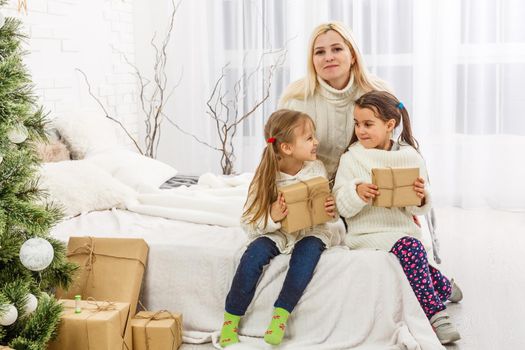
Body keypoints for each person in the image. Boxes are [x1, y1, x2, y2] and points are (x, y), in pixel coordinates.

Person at [332, 91, 463, 345]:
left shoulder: (410, 157)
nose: (360, 130)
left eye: (368, 124)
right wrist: (356, 193)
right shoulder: (351, 158)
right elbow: (340, 204)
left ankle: (441, 299)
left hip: (401, 231)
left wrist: (419, 197)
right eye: (357, 124)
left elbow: (419, 208)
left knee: (410, 249)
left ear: (390, 125)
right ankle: (439, 304)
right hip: (365, 235)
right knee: (411, 250)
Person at [219, 109, 340, 347]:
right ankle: (230, 321)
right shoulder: (266, 177)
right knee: (252, 257)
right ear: (286, 148)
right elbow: (248, 223)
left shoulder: (316, 169)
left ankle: (280, 316)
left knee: (304, 260)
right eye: (309, 138)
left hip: (311, 231)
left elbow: (329, 214)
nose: (316, 142)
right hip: (277, 233)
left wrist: (330, 208)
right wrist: (272, 216)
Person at [279, 21, 388, 181]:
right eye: (320, 52)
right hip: (309, 186)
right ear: (313, 60)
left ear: (352, 56)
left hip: (365, 185)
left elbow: (388, 151)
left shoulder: (379, 92)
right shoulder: (294, 99)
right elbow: (282, 157)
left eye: (337, 49)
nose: (329, 57)